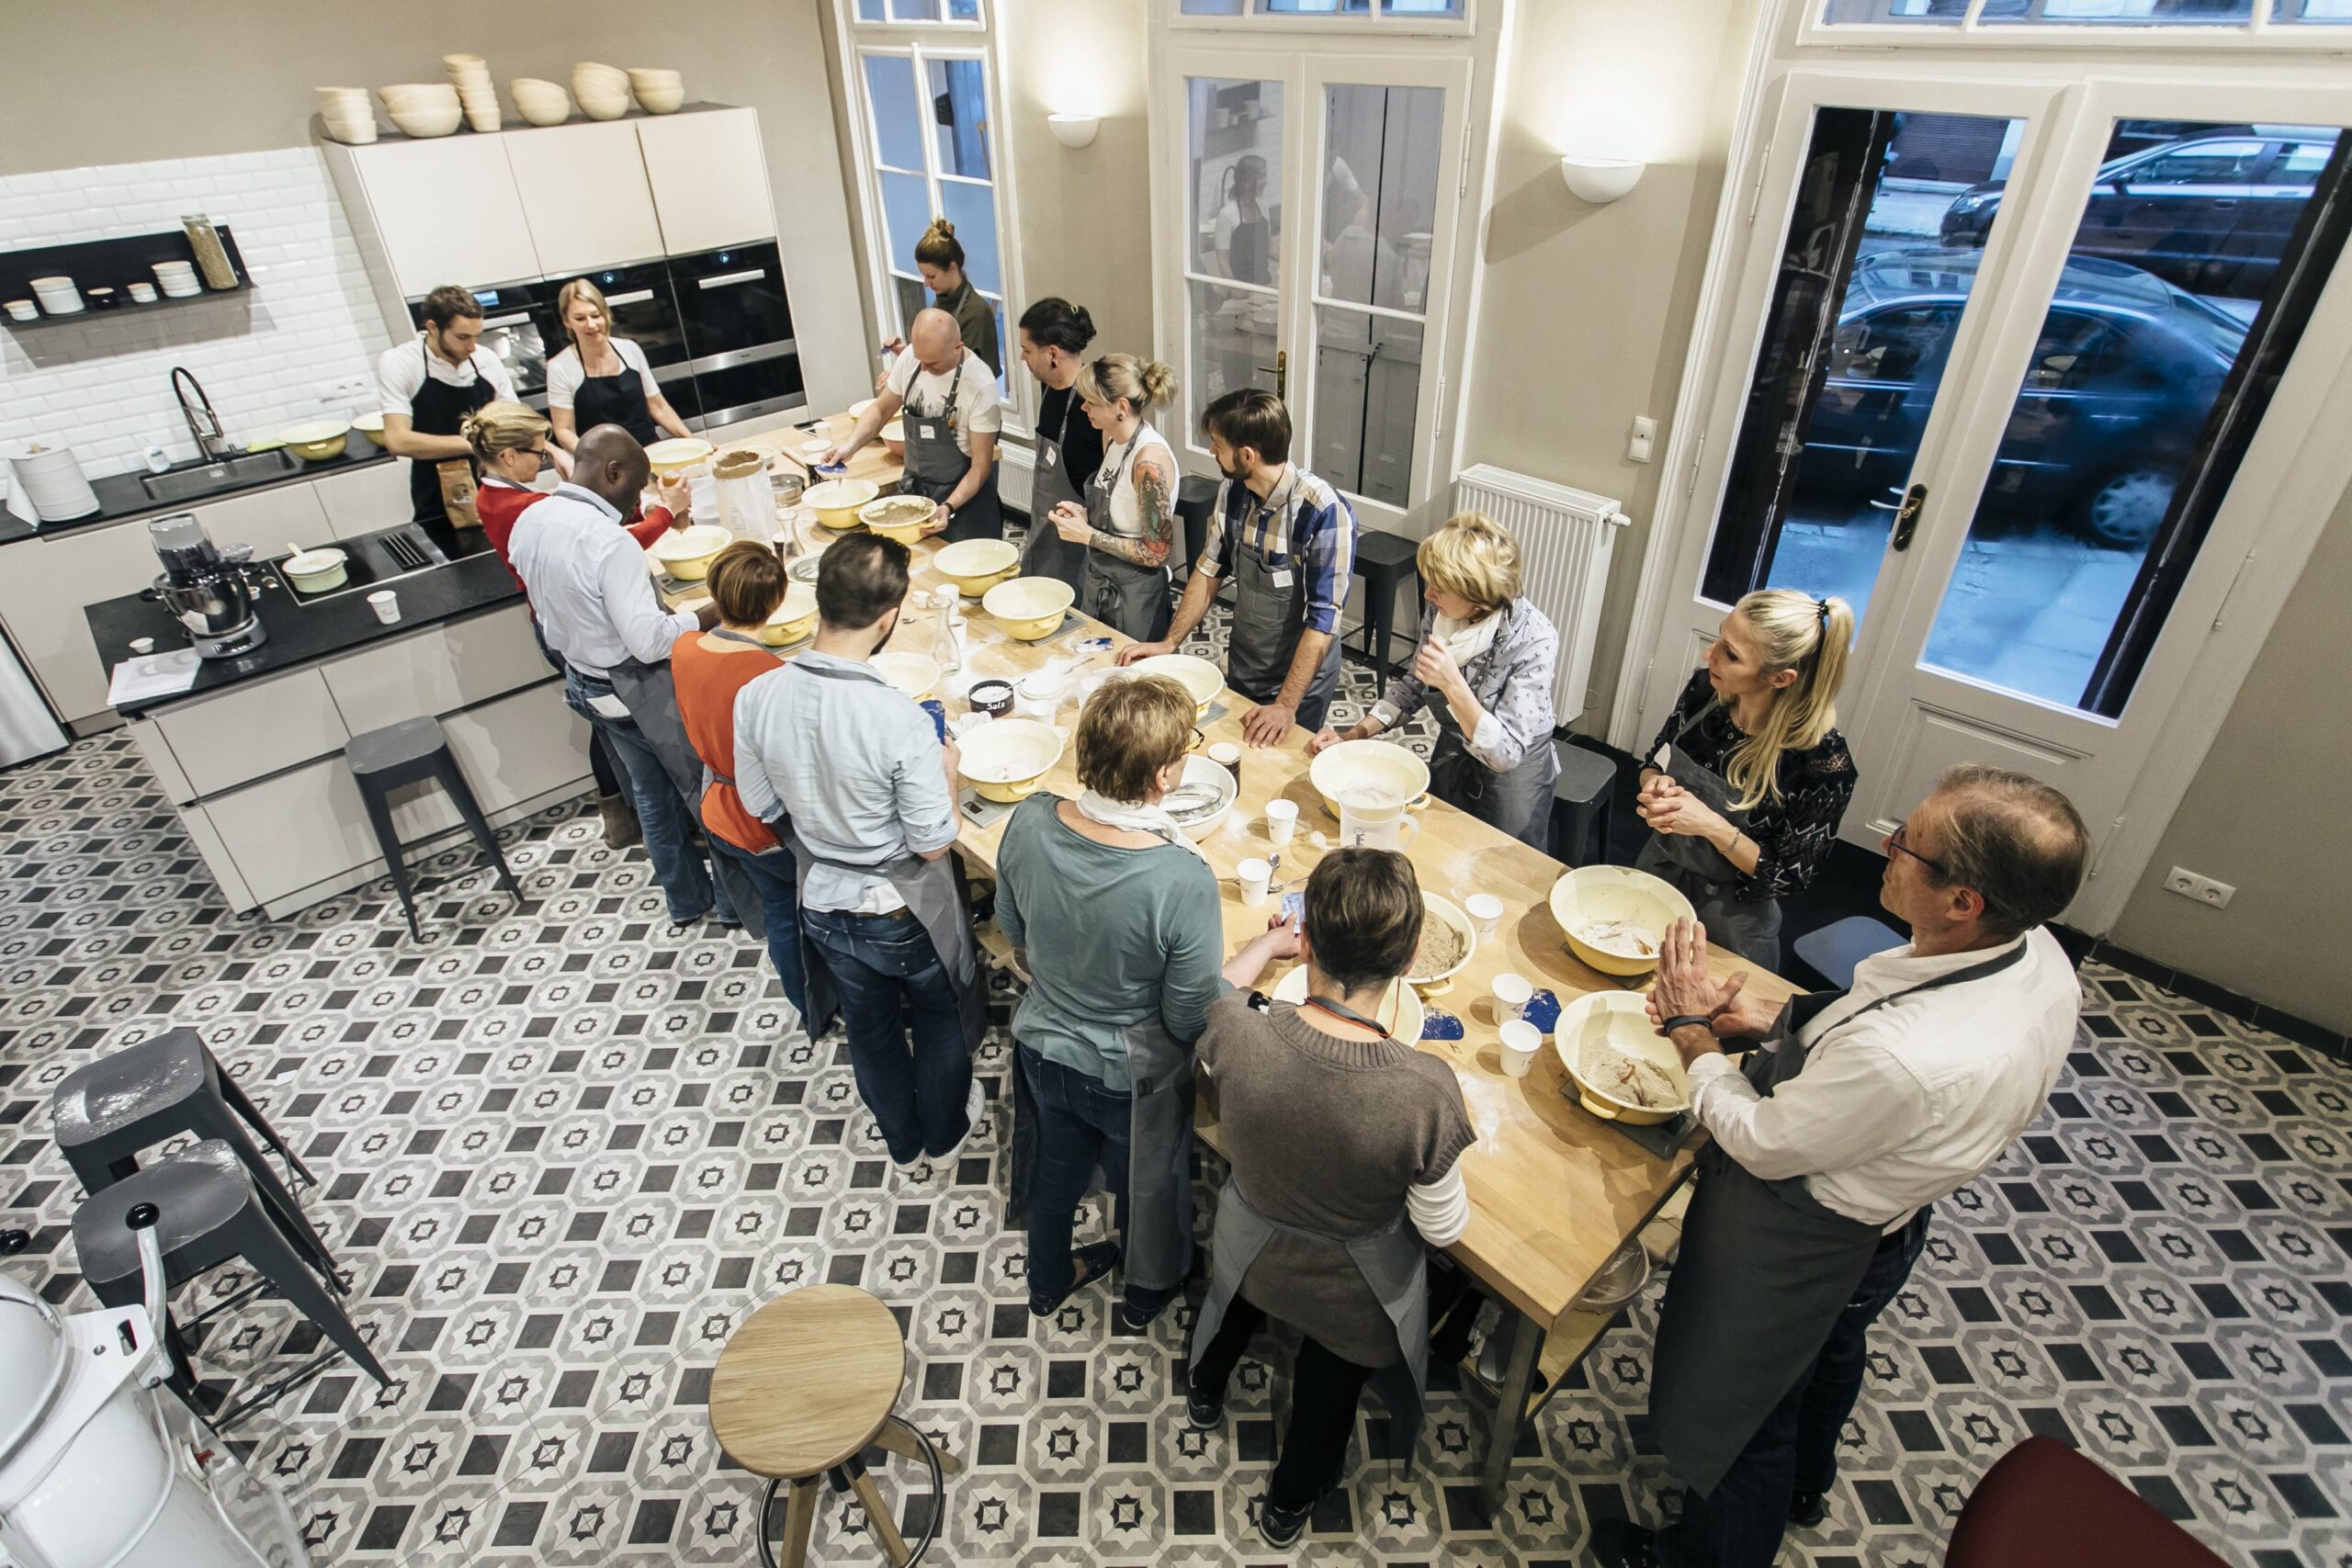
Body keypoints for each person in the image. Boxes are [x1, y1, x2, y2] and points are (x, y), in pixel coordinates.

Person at [1594, 765, 2091, 1568]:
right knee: (1828, 1351)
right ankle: (1808, 1480)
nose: (1885, 849)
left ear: (1967, 901)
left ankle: (1701, 1553)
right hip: (1892, 1225)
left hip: (1810, 1234)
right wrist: (1767, 1015)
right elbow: (1873, 1013)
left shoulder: (1909, 1060)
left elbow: (1758, 1137)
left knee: (1747, 1417)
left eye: (1908, 846)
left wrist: (1693, 1031)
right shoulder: (2037, 955)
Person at [1186, 848, 1474, 1549]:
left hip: (1250, 1250)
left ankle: (1206, 1389)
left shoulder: (1238, 1031)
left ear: (1306, 939)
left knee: (1234, 1305)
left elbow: (1217, 991)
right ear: (1409, 962)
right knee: (1328, 1395)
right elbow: (1443, 1228)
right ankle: (1288, 1502)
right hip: (1349, 1296)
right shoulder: (1427, 1091)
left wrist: (1264, 943)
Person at [994, 674, 1298, 1328]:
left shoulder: (1028, 820)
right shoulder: (1179, 876)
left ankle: (1047, 1279)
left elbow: (1014, 932)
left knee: (1057, 1166)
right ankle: (1145, 1294)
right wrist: (1262, 951)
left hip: (1043, 1048)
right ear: (1164, 777)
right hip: (1129, 1077)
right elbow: (1189, 1017)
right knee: (1148, 1187)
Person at [733, 532, 983, 1168]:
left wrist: (826, 830)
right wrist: (947, 768)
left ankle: (901, 1143)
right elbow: (933, 845)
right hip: (899, 908)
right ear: (888, 617)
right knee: (937, 1016)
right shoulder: (896, 720)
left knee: (869, 1031)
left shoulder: (757, 694)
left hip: (820, 899)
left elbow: (763, 807)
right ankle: (946, 1132)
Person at [509, 424, 731, 926]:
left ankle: (686, 899)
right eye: (635, 488)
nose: (637, 501)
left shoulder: (532, 517)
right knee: (705, 793)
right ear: (613, 472)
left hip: (583, 682)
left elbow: (545, 610)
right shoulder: (610, 543)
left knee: (651, 797)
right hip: (634, 688)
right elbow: (650, 640)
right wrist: (710, 613)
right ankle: (737, 907)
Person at [467, 400, 685, 849]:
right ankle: (672, 838)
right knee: (675, 778)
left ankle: (629, 825)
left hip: (569, 642)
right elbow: (612, 555)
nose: (547, 460)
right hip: (611, 662)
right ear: (509, 457)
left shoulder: (506, 501)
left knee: (630, 762)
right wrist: (661, 516)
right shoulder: (522, 508)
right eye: (539, 453)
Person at [1634, 589, 1859, 969]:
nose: (1710, 655)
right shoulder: (1706, 690)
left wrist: (1711, 826)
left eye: (1731, 654)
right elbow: (1655, 759)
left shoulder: (1821, 763)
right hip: (1656, 877)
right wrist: (1654, 786)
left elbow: (1787, 876)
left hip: (1729, 921)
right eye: (1720, 637)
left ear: (1780, 678)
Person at [1118, 389, 1355, 747]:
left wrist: (1286, 705)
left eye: (1217, 444)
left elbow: (1322, 622)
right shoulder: (1233, 489)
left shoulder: (1323, 512)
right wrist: (1170, 642)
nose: (1212, 451)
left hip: (1300, 684)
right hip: (1248, 661)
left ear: (1247, 455)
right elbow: (1209, 569)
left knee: (1279, 767)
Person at [1310, 512, 1561, 850]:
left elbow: (1506, 754)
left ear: (1478, 595)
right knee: (1441, 848)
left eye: (1439, 588)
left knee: (1505, 870)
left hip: (1514, 778)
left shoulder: (1535, 638)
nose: (1428, 595)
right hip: (1455, 745)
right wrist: (1352, 734)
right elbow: (1413, 685)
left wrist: (1452, 683)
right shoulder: (1444, 613)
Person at [669, 542, 832, 1037]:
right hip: (759, 821)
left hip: (713, 803)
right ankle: (818, 1004)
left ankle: (809, 1002)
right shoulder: (765, 675)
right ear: (778, 602)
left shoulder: (684, 648)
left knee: (775, 910)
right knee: (791, 914)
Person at [825, 308, 1002, 543]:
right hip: (916, 494)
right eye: (921, 361)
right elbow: (881, 409)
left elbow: (980, 467)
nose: (925, 369)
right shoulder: (912, 357)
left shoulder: (980, 385)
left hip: (963, 503)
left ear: (957, 348)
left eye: (934, 363)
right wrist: (850, 446)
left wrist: (948, 506)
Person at [1046, 354, 1180, 643]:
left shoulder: (1148, 463)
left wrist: (1088, 536)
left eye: (1091, 401)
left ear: (1121, 407)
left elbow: (1158, 553)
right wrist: (1085, 515)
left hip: (1136, 599)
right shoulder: (1111, 438)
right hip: (1100, 584)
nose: (1083, 407)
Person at [376, 284, 516, 554]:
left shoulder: (485, 360)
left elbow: (513, 420)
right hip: (436, 494)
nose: (472, 347)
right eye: (463, 337)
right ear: (433, 327)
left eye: (477, 336)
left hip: (495, 484)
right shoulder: (400, 362)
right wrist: (472, 444)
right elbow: (397, 440)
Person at [1013, 297, 1104, 592]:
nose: (1022, 358)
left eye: (1027, 350)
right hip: (1045, 530)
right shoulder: (1050, 388)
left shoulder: (1093, 403)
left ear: (1052, 353)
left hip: (1080, 547)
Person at [545, 278, 695, 453]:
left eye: (595, 315)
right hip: (605, 463)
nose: (591, 324)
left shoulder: (630, 349)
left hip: (650, 452)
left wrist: (693, 443)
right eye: (580, 318)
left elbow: (658, 407)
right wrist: (594, 461)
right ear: (567, 322)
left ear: (607, 314)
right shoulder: (560, 367)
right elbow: (564, 430)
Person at [879, 217, 1001, 376]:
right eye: (924, 276)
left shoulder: (976, 314)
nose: (926, 283)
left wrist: (903, 375)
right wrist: (907, 353)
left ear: (952, 267)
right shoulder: (940, 303)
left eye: (932, 276)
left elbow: (965, 375)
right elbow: (935, 361)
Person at [1214, 153, 1274, 286]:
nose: (1266, 181)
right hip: (1239, 291)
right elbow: (1222, 260)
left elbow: (1269, 247)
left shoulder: (1263, 207)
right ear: (1246, 181)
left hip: (1264, 286)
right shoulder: (1227, 214)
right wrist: (1236, 290)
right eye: (1262, 176)